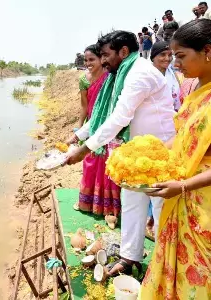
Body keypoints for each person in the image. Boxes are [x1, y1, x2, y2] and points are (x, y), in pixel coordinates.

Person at [65, 30, 176, 277]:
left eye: (106, 55)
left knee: (160, 211)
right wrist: (79, 136)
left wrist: (85, 149)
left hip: (159, 153)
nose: (103, 61)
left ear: (124, 52)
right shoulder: (121, 74)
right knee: (131, 204)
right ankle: (130, 257)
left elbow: (120, 117)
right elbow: (101, 116)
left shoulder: (139, 74)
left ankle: (164, 269)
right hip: (134, 154)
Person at [139, 19, 211, 299]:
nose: (175, 64)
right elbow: (183, 137)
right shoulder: (195, 90)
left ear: (207, 50)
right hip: (181, 193)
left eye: (181, 56)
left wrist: (183, 187)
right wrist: (149, 151)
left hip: (201, 199)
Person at [74, 45, 119, 221]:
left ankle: (106, 207)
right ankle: (87, 203)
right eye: (85, 60)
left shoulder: (110, 78)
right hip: (92, 124)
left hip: (108, 126)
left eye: (92, 59)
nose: (88, 63)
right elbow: (84, 106)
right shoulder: (84, 80)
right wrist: (78, 129)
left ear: (101, 59)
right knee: (90, 163)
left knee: (106, 165)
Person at [151, 41, 181, 111]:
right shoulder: (148, 76)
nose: (167, 58)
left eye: (170, 55)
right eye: (162, 54)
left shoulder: (172, 72)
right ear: (153, 57)